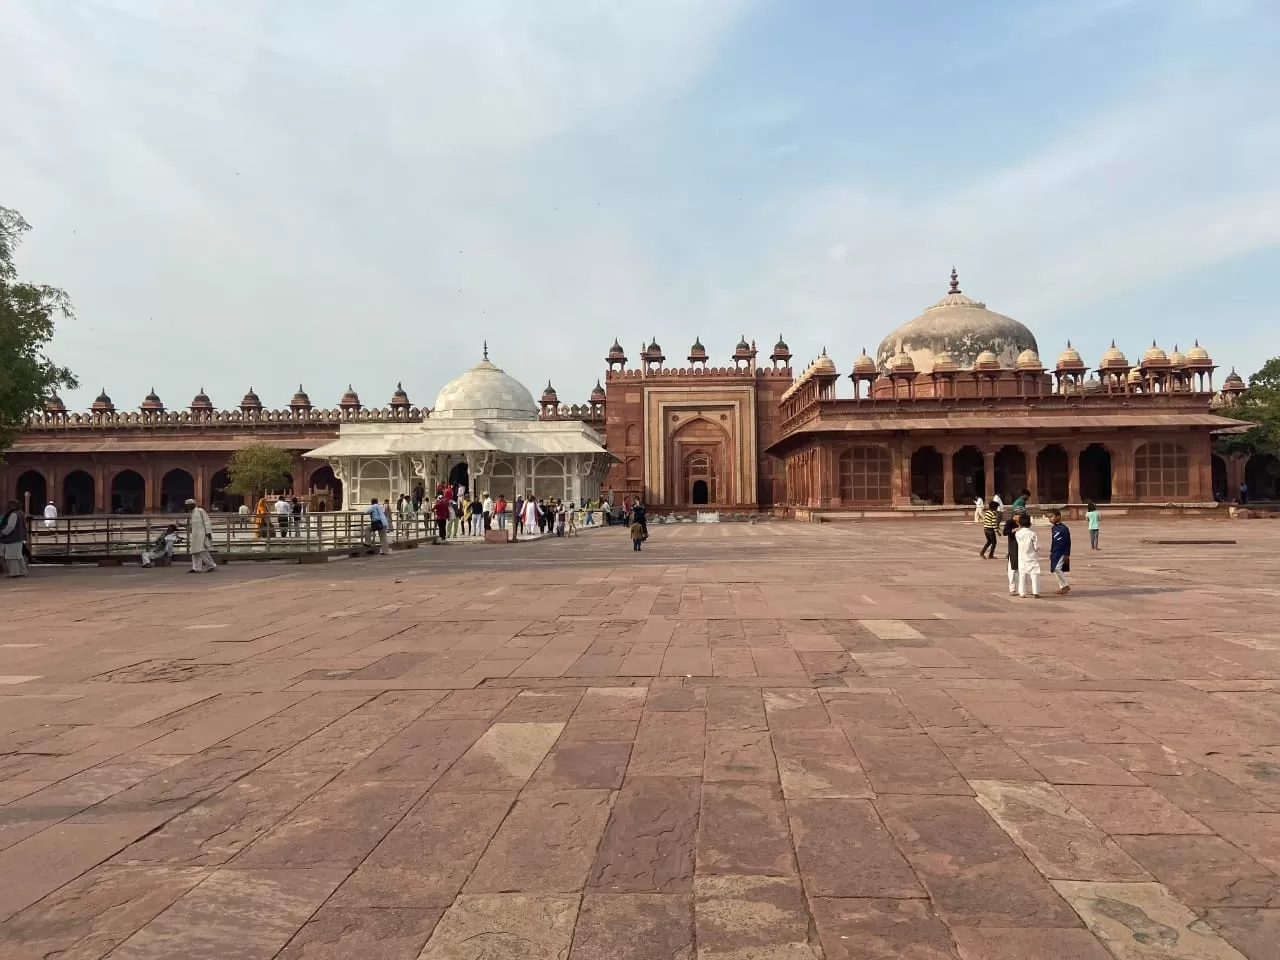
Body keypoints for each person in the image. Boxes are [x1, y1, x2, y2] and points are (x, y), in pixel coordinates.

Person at [185, 498, 217, 573]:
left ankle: (212, 565)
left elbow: (207, 521)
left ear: (193, 504)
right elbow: (190, 525)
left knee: (202, 551)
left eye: (188, 505)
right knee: (195, 552)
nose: (187, 507)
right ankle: (196, 568)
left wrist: (208, 532)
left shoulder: (200, 511)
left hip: (202, 534)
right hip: (194, 535)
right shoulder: (191, 514)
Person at [1014, 513, 1040, 598]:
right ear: (1030, 524)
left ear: (1019, 524)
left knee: (1022, 574)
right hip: (1031, 556)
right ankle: (1035, 592)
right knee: (1034, 574)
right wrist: (1036, 548)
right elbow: (1036, 546)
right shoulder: (1032, 534)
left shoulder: (1017, 533)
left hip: (1021, 556)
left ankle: (1022, 592)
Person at [1, 501, 29, 578]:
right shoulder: (21, 513)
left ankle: (14, 573)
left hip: (13, 538)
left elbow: (10, 527)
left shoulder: (13, 514)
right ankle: (23, 571)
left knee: (11, 556)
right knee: (18, 556)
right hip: (19, 537)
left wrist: (3, 533)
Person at [1049, 509, 1071, 595]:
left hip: (1062, 551)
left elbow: (1068, 541)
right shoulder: (1054, 528)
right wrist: (1051, 551)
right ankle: (1062, 587)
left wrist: (1067, 554)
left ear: (1058, 516)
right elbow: (1053, 541)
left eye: (1051, 517)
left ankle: (1065, 585)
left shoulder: (1064, 528)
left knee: (1057, 568)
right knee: (1055, 569)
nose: (1050, 519)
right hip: (1055, 551)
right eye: (1049, 517)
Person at [1002, 512, 1020, 596]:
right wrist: (1014, 530)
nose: (1020, 517)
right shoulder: (1010, 522)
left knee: (1021, 570)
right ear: (1014, 516)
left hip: (1021, 548)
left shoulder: (1023, 522)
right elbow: (1005, 532)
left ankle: (1021, 588)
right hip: (1013, 548)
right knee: (1012, 569)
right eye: (1019, 515)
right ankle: (1012, 588)